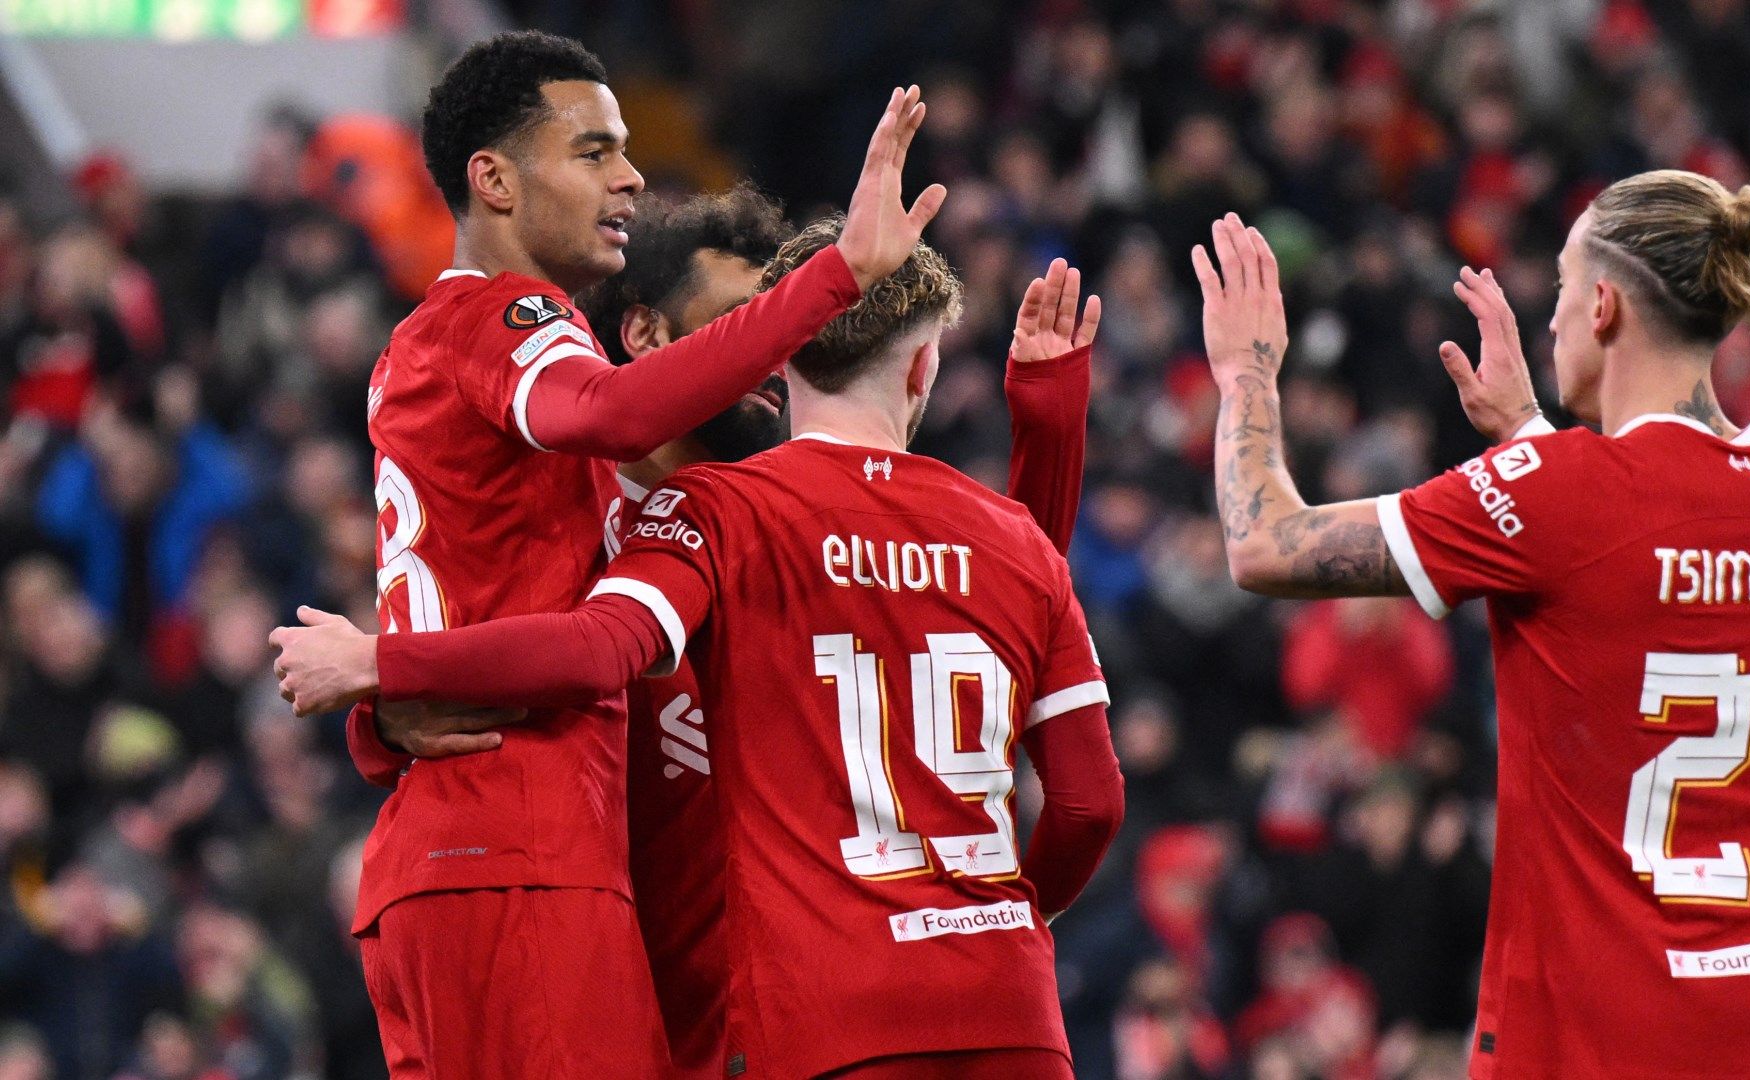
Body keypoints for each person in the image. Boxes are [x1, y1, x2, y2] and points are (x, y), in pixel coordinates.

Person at [272, 223, 1123, 1079]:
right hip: (629, 999)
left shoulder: (767, 520)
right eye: (750, 320)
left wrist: (1047, 434)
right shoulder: (586, 526)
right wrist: (384, 708)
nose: (769, 348)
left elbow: (979, 630)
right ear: (649, 338)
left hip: (784, 1016)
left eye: (795, 319)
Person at [325, 29, 946, 1079]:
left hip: (529, 887)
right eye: (593, 150)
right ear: (495, 180)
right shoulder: (511, 321)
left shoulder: (663, 513)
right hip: (519, 867)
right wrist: (833, 278)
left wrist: (386, 688)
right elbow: (604, 443)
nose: (631, 174)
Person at [1190, 170, 1750, 1078]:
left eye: (1561, 292)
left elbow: (1264, 543)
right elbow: (1637, 562)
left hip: (1606, 1034)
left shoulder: (1560, 497)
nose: (1549, 323)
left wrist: (1248, 372)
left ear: (1606, 306)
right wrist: (1525, 435)